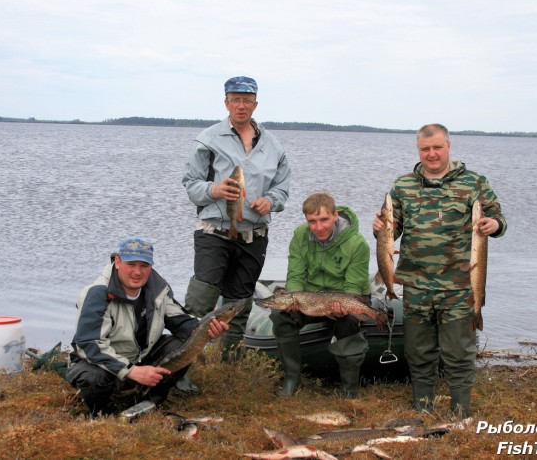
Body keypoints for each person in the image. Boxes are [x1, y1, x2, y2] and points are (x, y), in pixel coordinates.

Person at [372, 123, 506, 417]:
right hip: (417, 286)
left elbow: (498, 218)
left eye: (437, 147)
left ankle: (460, 411)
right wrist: (380, 229)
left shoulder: (474, 183)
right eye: (425, 149)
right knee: (419, 353)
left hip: (460, 287)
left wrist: (493, 225)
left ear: (449, 147)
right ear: (418, 150)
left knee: (459, 353)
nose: (431, 154)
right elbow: (391, 231)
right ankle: (423, 408)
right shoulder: (402, 186)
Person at [181, 76, 291, 364]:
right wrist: (214, 189)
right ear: (226, 102)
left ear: (255, 104)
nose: (241, 105)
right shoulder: (207, 139)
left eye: (246, 99)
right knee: (199, 301)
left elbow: (282, 188)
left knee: (239, 305)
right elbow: (191, 184)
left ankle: (230, 367)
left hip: (254, 236)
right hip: (214, 232)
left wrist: (271, 201)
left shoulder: (273, 146)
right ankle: (183, 367)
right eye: (235, 99)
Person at [66, 237, 228, 417]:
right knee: (92, 378)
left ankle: (151, 399)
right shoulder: (97, 294)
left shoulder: (157, 288)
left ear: (151, 266)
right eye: (131, 264)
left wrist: (207, 330)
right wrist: (132, 371)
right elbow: (89, 344)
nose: (137, 272)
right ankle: (101, 411)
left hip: (140, 357)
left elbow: (180, 321)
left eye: (144, 266)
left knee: (183, 345)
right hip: (103, 363)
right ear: (117, 262)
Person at [270, 192, 371, 398]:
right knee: (280, 315)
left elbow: (353, 287)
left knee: (348, 320)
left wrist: (343, 306)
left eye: (324, 219)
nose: (319, 227)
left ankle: (349, 390)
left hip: (349, 297)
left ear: (335, 216)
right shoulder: (300, 235)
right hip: (311, 298)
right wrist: (294, 298)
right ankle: (291, 380)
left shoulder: (358, 244)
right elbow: (296, 274)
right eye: (312, 222)